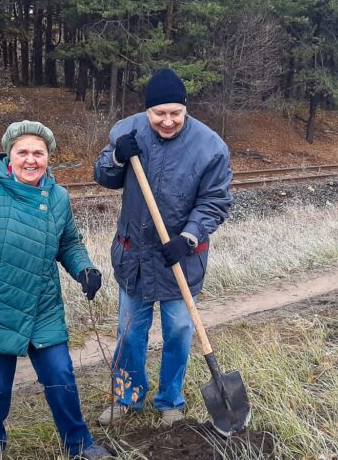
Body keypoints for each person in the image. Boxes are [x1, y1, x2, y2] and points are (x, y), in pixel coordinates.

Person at [0, 121, 111, 459]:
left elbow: (69, 243)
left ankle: (79, 445)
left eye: (39, 153)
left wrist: (85, 269)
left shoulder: (58, 197)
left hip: (43, 305)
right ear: (9, 157)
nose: (31, 160)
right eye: (23, 152)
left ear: (48, 157)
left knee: (61, 375)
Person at [93, 68, 233, 427]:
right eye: (159, 114)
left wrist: (189, 237)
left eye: (175, 113)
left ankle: (170, 400)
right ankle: (127, 395)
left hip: (181, 260)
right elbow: (104, 177)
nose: (167, 121)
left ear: (185, 109)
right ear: (147, 110)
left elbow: (215, 202)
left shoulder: (210, 146)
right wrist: (117, 159)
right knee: (129, 332)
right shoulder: (128, 131)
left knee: (179, 332)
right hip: (135, 259)